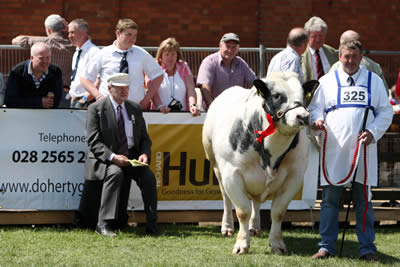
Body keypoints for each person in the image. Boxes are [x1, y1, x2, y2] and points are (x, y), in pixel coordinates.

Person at [309, 40, 393, 261]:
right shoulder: (326, 81)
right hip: (335, 149)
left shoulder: (373, 81)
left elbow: (385, 111)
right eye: (346, 56)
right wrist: (317, 119)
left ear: (361, 57)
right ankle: (326, 246)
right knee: (329, 200)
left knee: (364, 201)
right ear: (339, 56)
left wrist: (373, 132)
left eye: (354, 56)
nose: (350, 60)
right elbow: (316, 107)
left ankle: (366, 248)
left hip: (363, 149)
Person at [83, 73, 159, 237]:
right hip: (106, 159)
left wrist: (145, 154)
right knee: (115, 173)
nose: (124, 91)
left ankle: (152, 224)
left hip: (131, 156)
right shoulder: (96, 109)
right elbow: (94, 142)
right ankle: (103, 224)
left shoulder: (134, 108)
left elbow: (145, 138)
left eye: (126, 88)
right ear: (110, 89)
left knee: (148, 177)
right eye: (120, 88)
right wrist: (113, 157)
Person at [80, 18, 163, 111]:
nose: (132, 39)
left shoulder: (141, 54)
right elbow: (84, 78)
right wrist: (98, 96)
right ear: (118, 33)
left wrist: (147, 99)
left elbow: (158, 76)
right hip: (108, 108)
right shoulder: (103, 54)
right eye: (129, 35)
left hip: (135, 108)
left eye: (135, 35)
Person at [11, 14, 73, 107]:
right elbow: (87, 40)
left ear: (48, 30)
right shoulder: (73, 46)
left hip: (43, 92)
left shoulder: (42, 42)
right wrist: (69, 28)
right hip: (65, 93)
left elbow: (16, 40)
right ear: (63, 29)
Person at [196, 32, 257, 110]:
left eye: (234, 47)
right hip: (214, 110)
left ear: (238, 49)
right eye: (227, 46)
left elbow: (254, 83)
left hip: (236, 111)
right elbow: (204, 87)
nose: (230, 50)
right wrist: (213, 108)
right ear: (220, 46)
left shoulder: (241, 64)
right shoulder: (209, 62)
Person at [151, 37, 200, 116]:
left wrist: (193, 105)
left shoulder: (184, 66)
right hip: (159, 115)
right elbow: (151, 90)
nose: (170, 58)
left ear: (177, 55)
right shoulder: (155, 67)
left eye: (173, 54)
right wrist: (160, 106)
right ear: (161, 55)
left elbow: (191, 88)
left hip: (182, 115)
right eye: (167, 54)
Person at [4, 42, 62, 108]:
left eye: (48, 57)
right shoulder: (17, 72)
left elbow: (57, 100)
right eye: (41, 58)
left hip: (47, 115)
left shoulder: (55, 72)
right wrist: (38, 102)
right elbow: (9, 101)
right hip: (22, 115)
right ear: (32, 58)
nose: (45, 61)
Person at [68, 18, 99, 109]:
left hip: (87, 102)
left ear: (83, 33)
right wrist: (73, 97)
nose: (69, 36)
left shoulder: (94, 52)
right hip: (76, 101)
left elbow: (98, 81)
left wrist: (85, 99)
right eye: (69, 33)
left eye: (72, 32)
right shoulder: (77, 52)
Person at [301, 16, 338, 81]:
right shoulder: (301, 53)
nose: (318, 40)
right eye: (314, 36)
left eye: (321, 36)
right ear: (307, 36)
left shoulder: (331, 52)